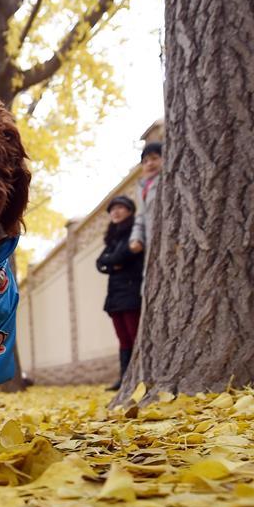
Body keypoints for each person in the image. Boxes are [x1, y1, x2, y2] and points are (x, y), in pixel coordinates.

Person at [97, 195, 144, 391]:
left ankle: (139, 377)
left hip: (131, 291)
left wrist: (113, 261)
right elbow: (100, 262)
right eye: (112, 209)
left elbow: (121, 255)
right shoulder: (113, 236)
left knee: (134, 336)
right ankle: (125, 378)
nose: (115, 212)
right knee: (123, 339)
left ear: (130, 211)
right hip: (115, 295)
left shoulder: (133, 232)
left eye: (120, 208)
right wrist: (113, 264)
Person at [129, 142, 163, 257]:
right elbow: (141, 216)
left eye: (154, 158)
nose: (150, 164)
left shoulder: (168, 181)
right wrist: (136, 238)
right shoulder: (142, 188)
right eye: (145, 161)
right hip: (152, 243)